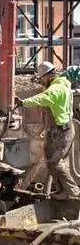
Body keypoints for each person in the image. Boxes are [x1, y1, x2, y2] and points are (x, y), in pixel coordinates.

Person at [15, 61, 80, 200]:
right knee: (50, 161)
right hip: (56, 130)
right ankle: (63, 191)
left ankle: (73, 191)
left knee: (55, 162)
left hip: (62, 131)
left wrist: (23, 102)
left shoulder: (56, 89)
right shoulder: (59, 85)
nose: (41, 81)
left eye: (42, 78)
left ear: (48, 76)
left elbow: (42, 99)